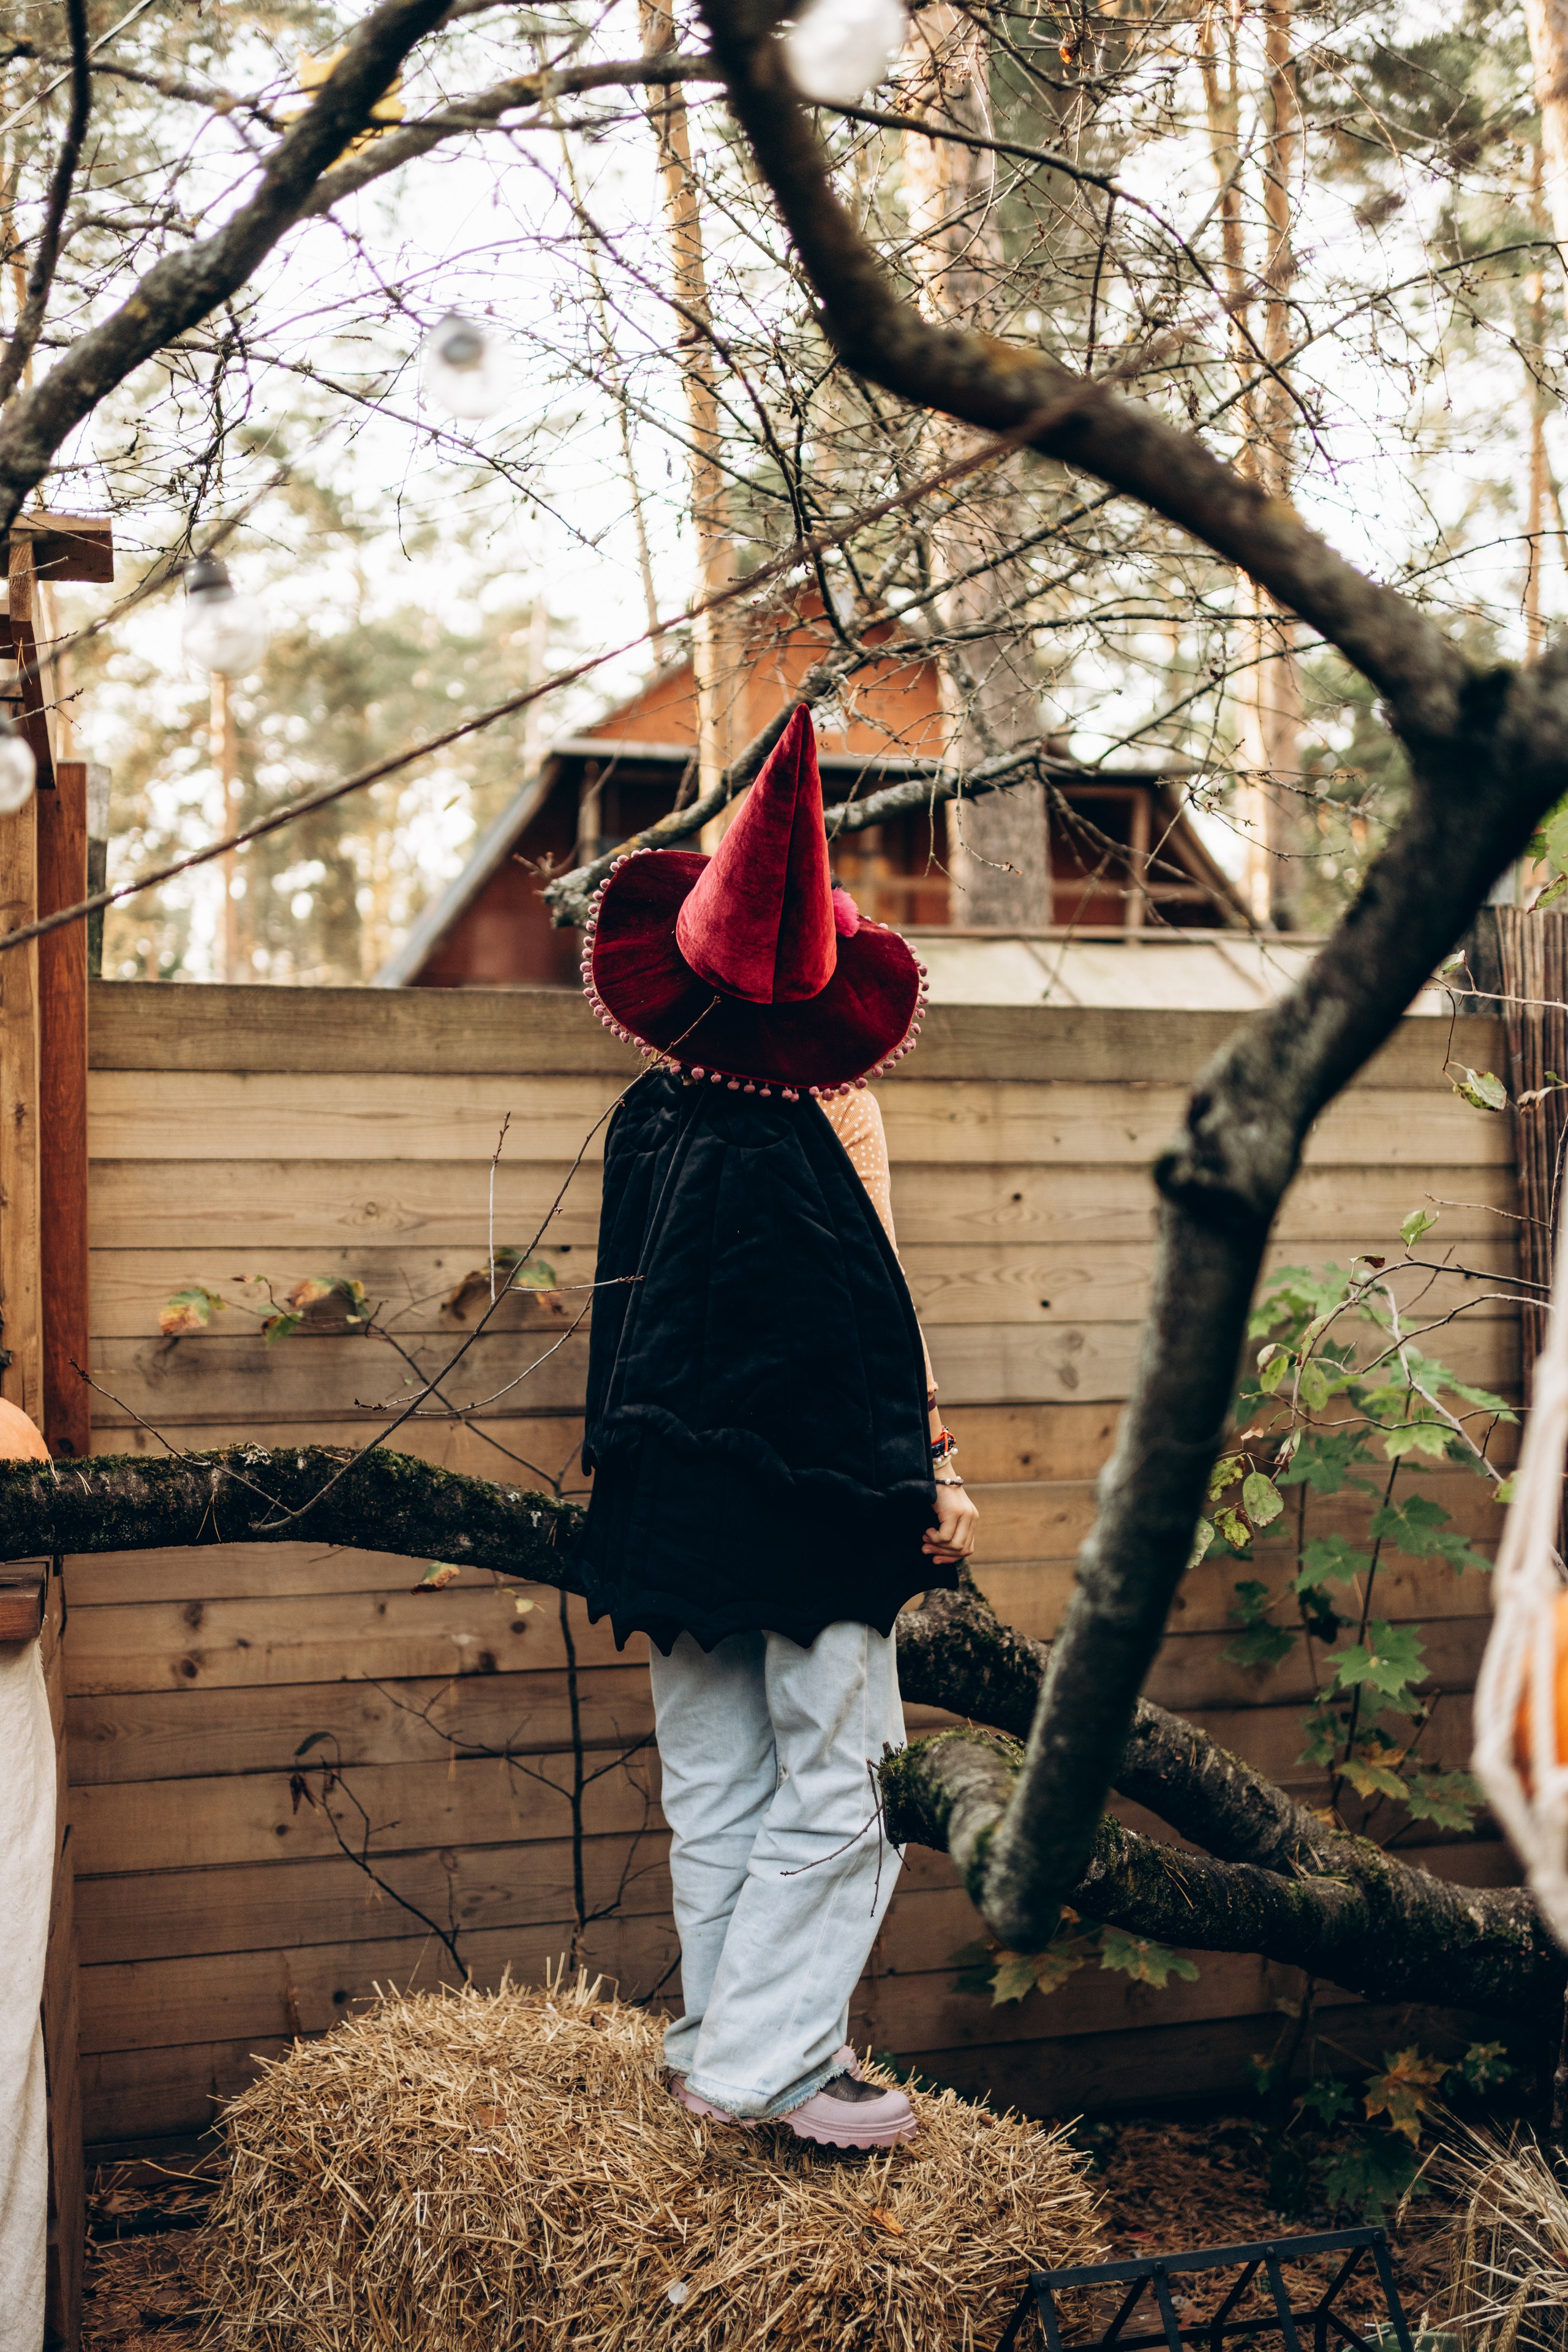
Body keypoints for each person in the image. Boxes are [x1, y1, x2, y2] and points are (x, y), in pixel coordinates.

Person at [576, 706, 978, 2150]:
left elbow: (629, 1331)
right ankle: (761, 2070)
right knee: (839, 1777)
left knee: (716, 1778)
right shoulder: (823, 1132)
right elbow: (865, 1340)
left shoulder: (647, 1120)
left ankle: (716, 2046)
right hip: (808, 1505)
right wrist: (919, 1480)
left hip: (666, 1506)